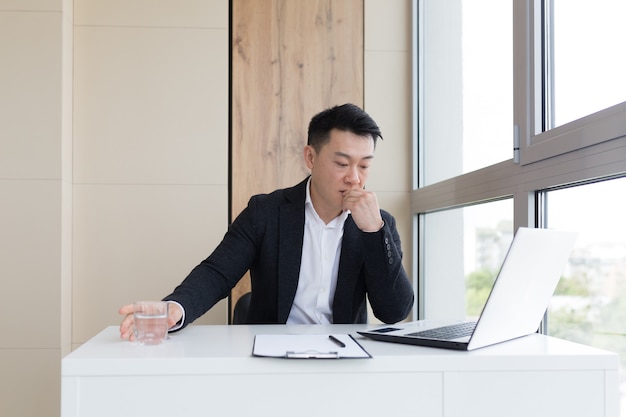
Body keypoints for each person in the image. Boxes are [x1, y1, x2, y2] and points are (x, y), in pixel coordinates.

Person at [119, 103, 414, 340]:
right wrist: (175, 307)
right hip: (270, 356)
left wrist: (374, 233)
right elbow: (218, 272)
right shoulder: (266, 212)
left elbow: (393, 311)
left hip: (343, 361)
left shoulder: (377, 224)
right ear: (310, 157)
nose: (354, 177)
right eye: (342, 163)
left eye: (364, 166)